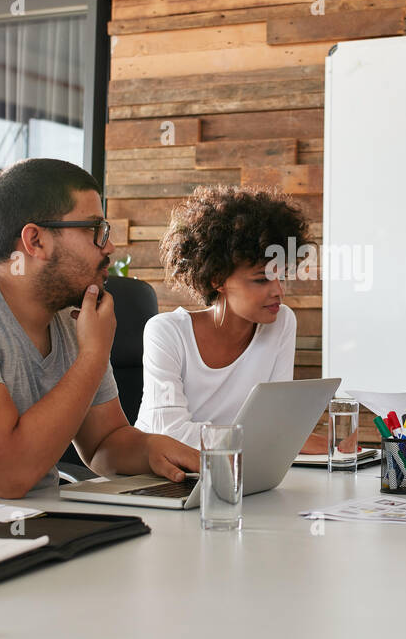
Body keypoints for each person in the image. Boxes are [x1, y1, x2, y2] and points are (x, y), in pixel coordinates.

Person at [0, 157, 198, 510]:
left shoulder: (70, 319)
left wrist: (151, 449)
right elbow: (8, 474)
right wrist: (92, 357)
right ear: (35, 240)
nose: (110, 247)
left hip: (38, 523)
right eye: (95, 230)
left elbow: (103, 442)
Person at [136, 186, 329, 451]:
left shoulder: (281, 322)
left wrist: (286, 438)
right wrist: (286, 440)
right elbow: (172, 435)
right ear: (217, 279)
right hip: (153, 477)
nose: (278, 291)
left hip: (235, 471)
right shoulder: (167, 332)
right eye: (262, 279)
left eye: (281, 275)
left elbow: (274, 423)